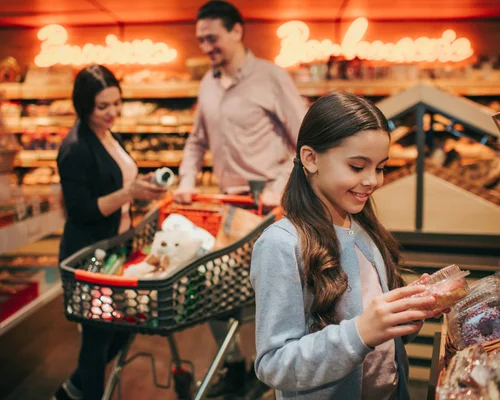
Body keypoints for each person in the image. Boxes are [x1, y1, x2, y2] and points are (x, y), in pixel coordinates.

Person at [250, 92, 448, 399]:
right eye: (357, 167)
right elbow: (274, 364)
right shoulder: (281, 245)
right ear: (310, 158)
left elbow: (380, 352)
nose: (373, 181)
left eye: (381, 168)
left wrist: (403, 314)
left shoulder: (366, 230)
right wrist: (361, 332)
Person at [174, 1, 308, 398]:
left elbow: (305, 142)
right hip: (224, 209)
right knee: (213, 286)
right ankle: (234, 364)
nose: (206, 47)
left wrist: (278, 185)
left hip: (269, 209)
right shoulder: (208, 83)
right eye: (200, 40)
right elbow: (196, 141)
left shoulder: (271, 78)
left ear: (237, 31)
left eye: (212, 38)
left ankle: (276, 372)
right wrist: (186, 177)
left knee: (272, 294)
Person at [53, 65, 166, 400]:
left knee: (116, 329)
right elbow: (82, 211)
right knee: (98, 337)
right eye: (103, 106)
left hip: (114, 247)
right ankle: (82, 392)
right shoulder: (74, 148)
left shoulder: (110, 135)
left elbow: (116, 182)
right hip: (89, 254)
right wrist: (129, 193)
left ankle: (72, 390)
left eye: (117, 103)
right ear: (84, 105)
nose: (113, 112)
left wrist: (141, 188)